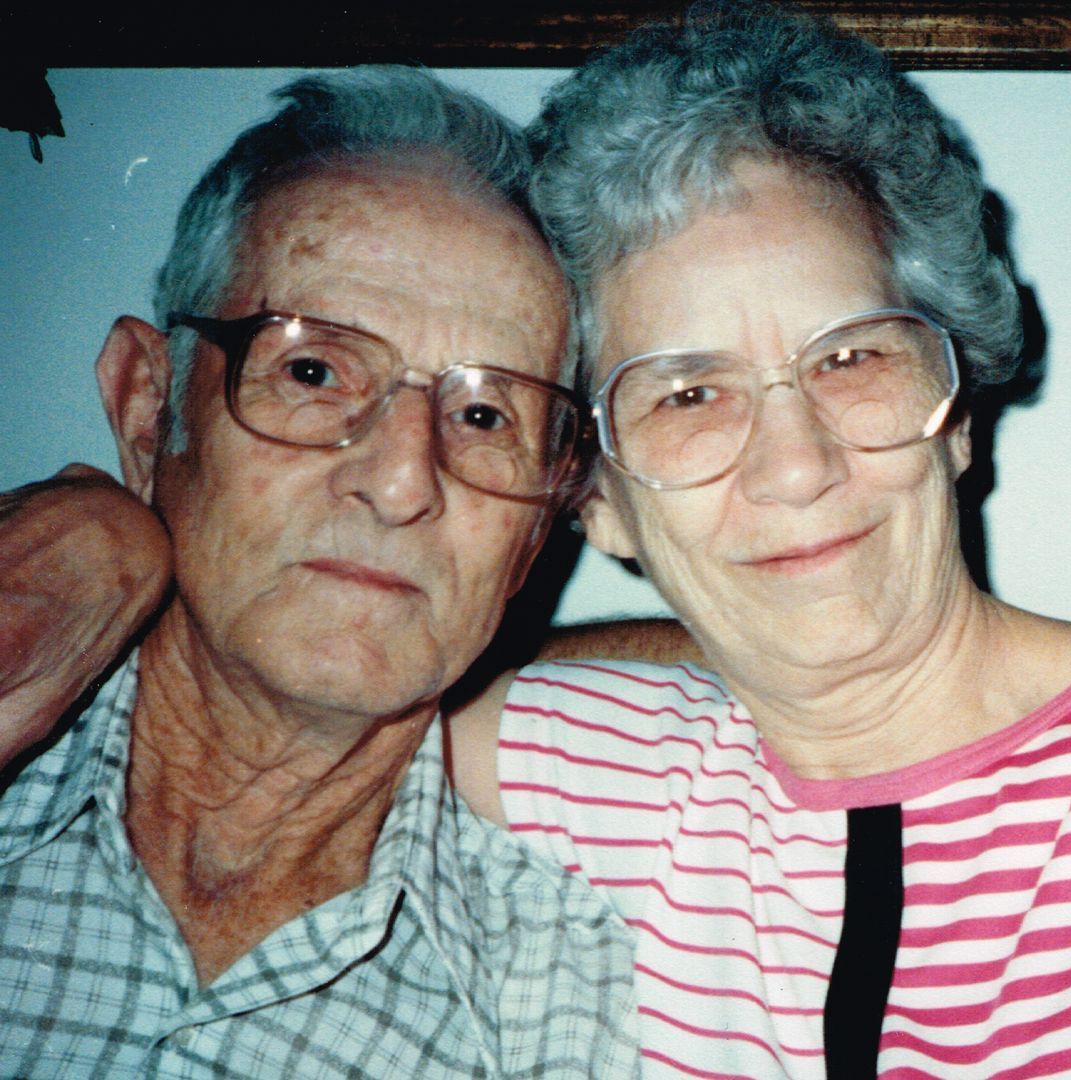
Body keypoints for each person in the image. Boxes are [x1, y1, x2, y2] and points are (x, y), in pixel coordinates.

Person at [450, 3, 1071, 1077]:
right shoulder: (579, 769)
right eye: (689, 393)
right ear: (596, 498)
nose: (796, 466)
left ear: (959, 407)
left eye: (853, 359)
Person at [0, 68, 640, 1077]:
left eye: (485, 417)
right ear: (145, 409)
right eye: (313, 370)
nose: (400, 482)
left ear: (544, 521)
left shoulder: (587, 1001)